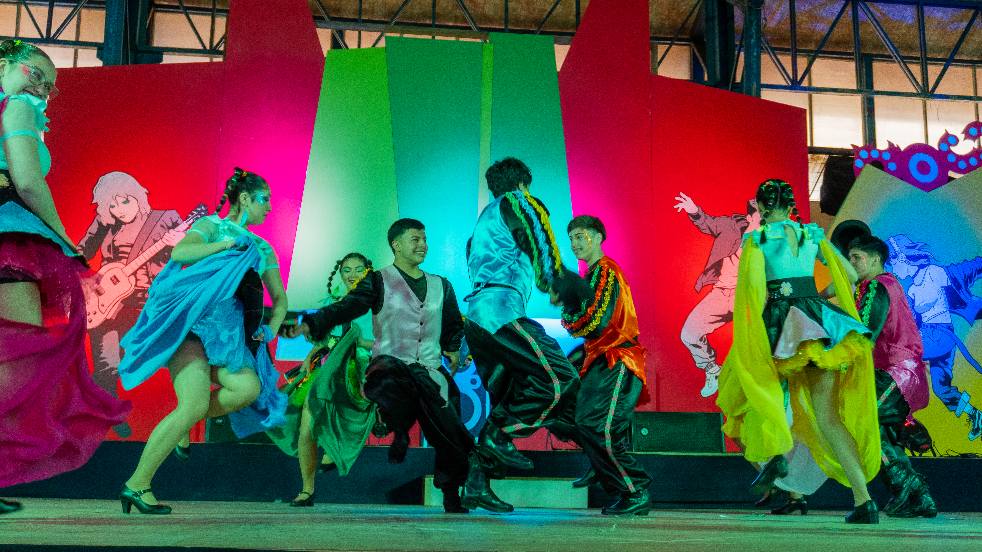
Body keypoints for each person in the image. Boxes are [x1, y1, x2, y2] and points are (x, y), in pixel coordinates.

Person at [0, 39, 131, 513]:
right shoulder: (15, 106)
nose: (42, 90)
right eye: (35, 74)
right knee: (20, 356)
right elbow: (28, 181)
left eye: (50, 86)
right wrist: (63, 238)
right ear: (4, 64)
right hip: (8, 237)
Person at [116, 168, 288, 515]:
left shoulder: (262, 247)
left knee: (248, 388)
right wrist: (225, 245)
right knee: (193, 404)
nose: (269, 207)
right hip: (190, 330)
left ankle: (185, 422)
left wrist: (271, 329)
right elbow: (180, 254)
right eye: (264, 199)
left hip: (227, 341)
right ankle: (137, 484)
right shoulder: (212, 226)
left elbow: (280, 301)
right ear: (244, 199)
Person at [716, 178, 881, 524]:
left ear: (761, 207)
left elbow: (754, 294)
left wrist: (756, 335)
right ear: (792, 206)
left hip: (781, 328)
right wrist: (817, 297)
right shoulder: (811, 235)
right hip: (819, 325)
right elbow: (851, 275)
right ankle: (864, 500)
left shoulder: (758, 239)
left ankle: (775, 458)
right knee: (829, 419)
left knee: (754, 394)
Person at [284, 219, 473, 514]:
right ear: (396, 244)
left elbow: (452, 325)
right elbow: (346, 308)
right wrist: (311, 323)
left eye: (424, 239)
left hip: (429, 369)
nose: (423, 245)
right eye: (415, 239)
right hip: (389, 366)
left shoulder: (442, 285)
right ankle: (391, 428)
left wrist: (452, 347)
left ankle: (452, 493)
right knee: (384, 384)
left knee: (451, 430)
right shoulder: (378, 281)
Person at [461, 157, 591, 513]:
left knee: (509, 398)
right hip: (501, 313)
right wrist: (558, 281)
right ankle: (497, 436)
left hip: (479, 320)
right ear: (522, 183)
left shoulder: (483, 224)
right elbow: (538, 237)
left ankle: (476, 483)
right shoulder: (518, 201)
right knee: (560, 378)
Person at [77, 171, 186, 438]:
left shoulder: (165, 219)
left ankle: (179, 420)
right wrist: (86, 280)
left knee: (158, 359)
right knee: (106, 365)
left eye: (125, 201)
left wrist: (179, 245)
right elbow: (80, 252)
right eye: (112, 205)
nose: (119, 210)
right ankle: (109, 414)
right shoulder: (105, 222)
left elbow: (187, 258)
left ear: (138, 195)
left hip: (147, 303)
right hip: (106, 302)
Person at [266, 252, 378, 506]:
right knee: (306, 426)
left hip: (358, 370)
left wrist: (360, 343)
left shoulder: (377, 305)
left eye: (358, 269)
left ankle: (333, 450)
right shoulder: (333, 303)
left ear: (368, 272)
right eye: (346, 270)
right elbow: (326, 340)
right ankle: (307, 489)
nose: (352, 275)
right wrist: (310, 357)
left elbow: (386, 341)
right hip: (326, 368)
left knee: (346, 413)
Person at [559, 215, 652, 515]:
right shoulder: (592, 276)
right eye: (571, 238)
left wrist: (570, 313)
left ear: (598, 237)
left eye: (580, 236)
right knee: (584, 421)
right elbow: (579, 322)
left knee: (599, 426)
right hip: (601, 358)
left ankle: (635, 490)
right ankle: (604, 469)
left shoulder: (606, 271)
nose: (575, 243)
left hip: (617, 357)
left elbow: (594, 321)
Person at [848, 234, 937, 518]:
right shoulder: (885, 284)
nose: (851, 263)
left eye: (857, 258)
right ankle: (920, 498)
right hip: (902, 374)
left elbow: (865, 333)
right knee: (884, 431)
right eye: (849, 258)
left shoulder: (877, 286)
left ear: (875, 259)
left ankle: (908, 485)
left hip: (896, 374)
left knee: (863, 422)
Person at [886, 234, 982, 441]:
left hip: (940, 335)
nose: (893, 270)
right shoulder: (912, 289)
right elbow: (912, 322)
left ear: (901, 258)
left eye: (892, 264)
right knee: (941, 389)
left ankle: (895, 405)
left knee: (900, 353)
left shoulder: (934, 272)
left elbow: (966, 271)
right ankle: (975, 415)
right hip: (933, 340)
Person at [674, 193, 760, 397]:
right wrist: (694, 210)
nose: (765, 223)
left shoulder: (772, 240)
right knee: (689, 333)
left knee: (761, 339)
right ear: (749, 218)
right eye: (760, 218)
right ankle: (713, 370)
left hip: (748, 296)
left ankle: (760, 383)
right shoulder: (730, 226)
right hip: (722, 294)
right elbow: (708, 223)